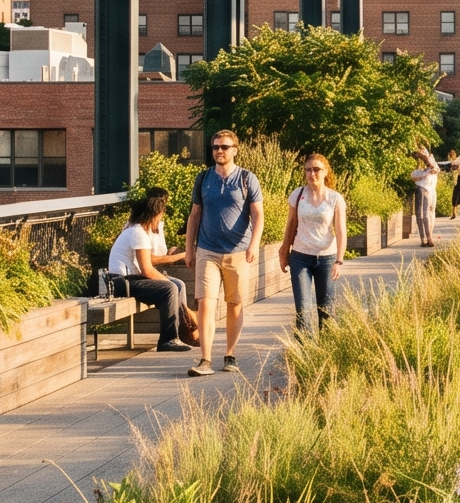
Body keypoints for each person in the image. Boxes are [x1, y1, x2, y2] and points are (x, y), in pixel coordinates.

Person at [185, 130, 263, 377]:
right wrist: (190, 248)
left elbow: (258, 215)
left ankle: (230, 354)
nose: (220, 151)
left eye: (225, 147)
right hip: (208, 249)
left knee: (235, 304)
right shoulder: (204, 178)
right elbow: (194, 215)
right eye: (216, 147)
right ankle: (205, 359)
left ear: (235, 150)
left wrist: (254, 244)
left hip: (238, 251)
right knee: (205, 303)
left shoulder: (247, 178)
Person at [104, 191, 195, 352]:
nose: (160, 220)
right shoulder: (138, 233)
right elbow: (147, 269)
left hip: (128, 279)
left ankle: (183, 333)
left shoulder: (137, 231)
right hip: (121, 282)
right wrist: (166, 281)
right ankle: (168, 340)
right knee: (169, 288)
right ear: (153, 215)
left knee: (177, 284)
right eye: (159, 216)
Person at [281, 152, 348, 335]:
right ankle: (303, 352)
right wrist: (284, 251)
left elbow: (341, 231)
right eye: (308, 170)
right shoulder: (297, 194)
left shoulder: (335, 199)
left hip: (326, 258)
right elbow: (290, 225)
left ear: (325, 172)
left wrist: (339, 261)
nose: (312, 174)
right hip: (300, 257)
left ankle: (326, 352)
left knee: (326, 310)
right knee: (303, 309)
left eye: (316, 170)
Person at [410, 146, 443, 246]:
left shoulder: (433, 166)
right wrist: (426, 172)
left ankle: (429, 236)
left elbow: (436, 169)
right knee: (422, 214)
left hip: (432, 191)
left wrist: (428, 157)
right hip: (423, 190)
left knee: (430, 213)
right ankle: (424, 238)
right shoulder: (420, 170)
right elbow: (414, 177)